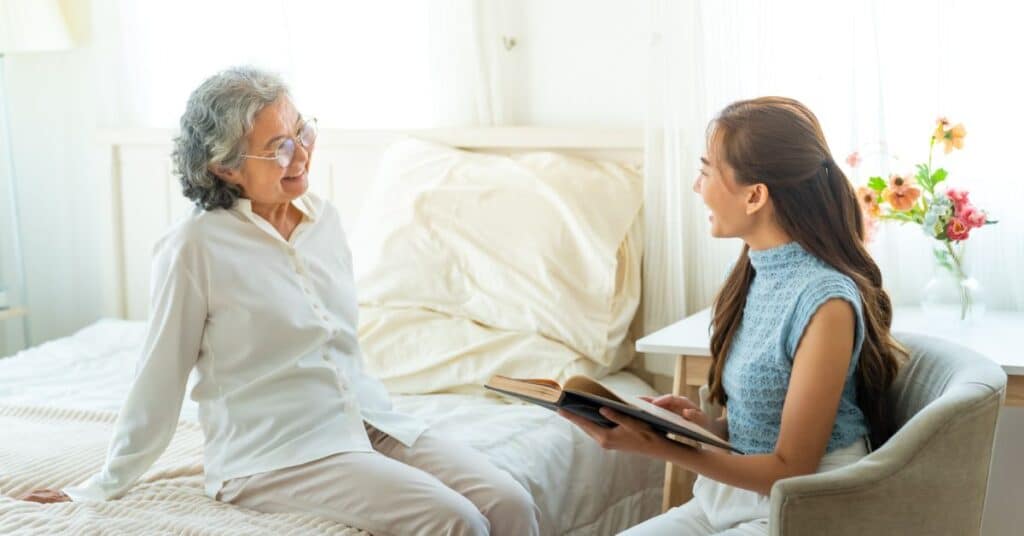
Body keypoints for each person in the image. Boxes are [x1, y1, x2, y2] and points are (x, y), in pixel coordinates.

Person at [20, 66, 539, 536]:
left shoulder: (323, 220)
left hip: (368, 420)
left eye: (302, 133)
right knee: (457, 521)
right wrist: (100, 485)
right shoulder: (194, 248)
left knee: (511, 502)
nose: (303, 154)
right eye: (280, 147)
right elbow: (158, 378)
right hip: (276, 454)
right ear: (225, 168)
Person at [560, 97, 906, 535]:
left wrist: (657, 447)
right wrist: (704, 427)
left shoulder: (826, 302)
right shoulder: (756, 272)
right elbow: (766, 428)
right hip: (729, 500)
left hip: (803, 510)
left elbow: (792, 466)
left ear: (755, 195)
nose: (696, 186)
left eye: (706, 172)